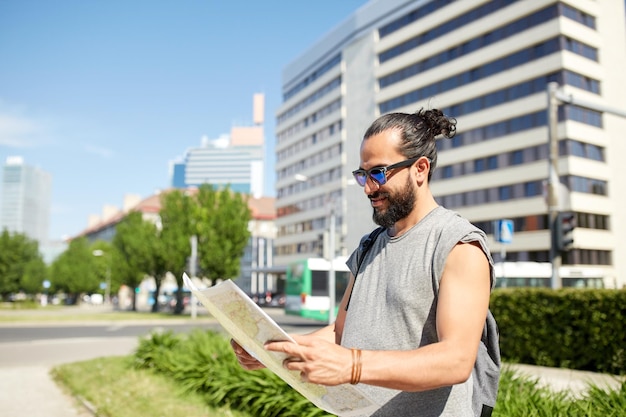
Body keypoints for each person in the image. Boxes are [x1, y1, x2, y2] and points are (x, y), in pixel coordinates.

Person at [231, 109, 500, 417]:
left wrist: (353, 365)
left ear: (420, 169)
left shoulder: (458, 244)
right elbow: (341, 332)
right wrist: (273, 349)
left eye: (379, 173)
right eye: (363, 175)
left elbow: (455, 360)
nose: (368, 188)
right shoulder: (369, 245)